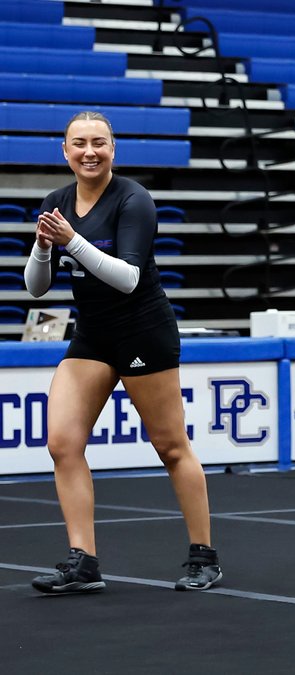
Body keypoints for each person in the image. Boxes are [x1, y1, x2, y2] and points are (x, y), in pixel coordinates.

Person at [23, 111, 221, 593]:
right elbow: (35, 289)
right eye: (79, 144)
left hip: (142, 330)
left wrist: (73, 240)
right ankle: (83, 562)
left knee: (170, 446)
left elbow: (129, 279)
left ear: (114, 149)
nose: (89, 152)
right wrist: (46, 248)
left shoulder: (134, 199)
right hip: (92, 335)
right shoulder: (56, 202)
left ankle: (204, 557)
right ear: (64, 151)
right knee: (62, 444)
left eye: (99, 143)